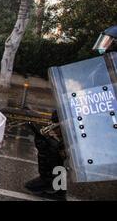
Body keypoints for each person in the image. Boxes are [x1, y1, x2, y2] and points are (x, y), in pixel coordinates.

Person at [24, 25, 117, 199]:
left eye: (109, 42)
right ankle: (54, 185)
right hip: (95, 120)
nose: (104, 46)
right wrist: (63, 111)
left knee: (57, 147)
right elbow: (87, 93)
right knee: (50, 143)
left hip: (106, 128)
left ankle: (55, 187)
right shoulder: (102, 68)